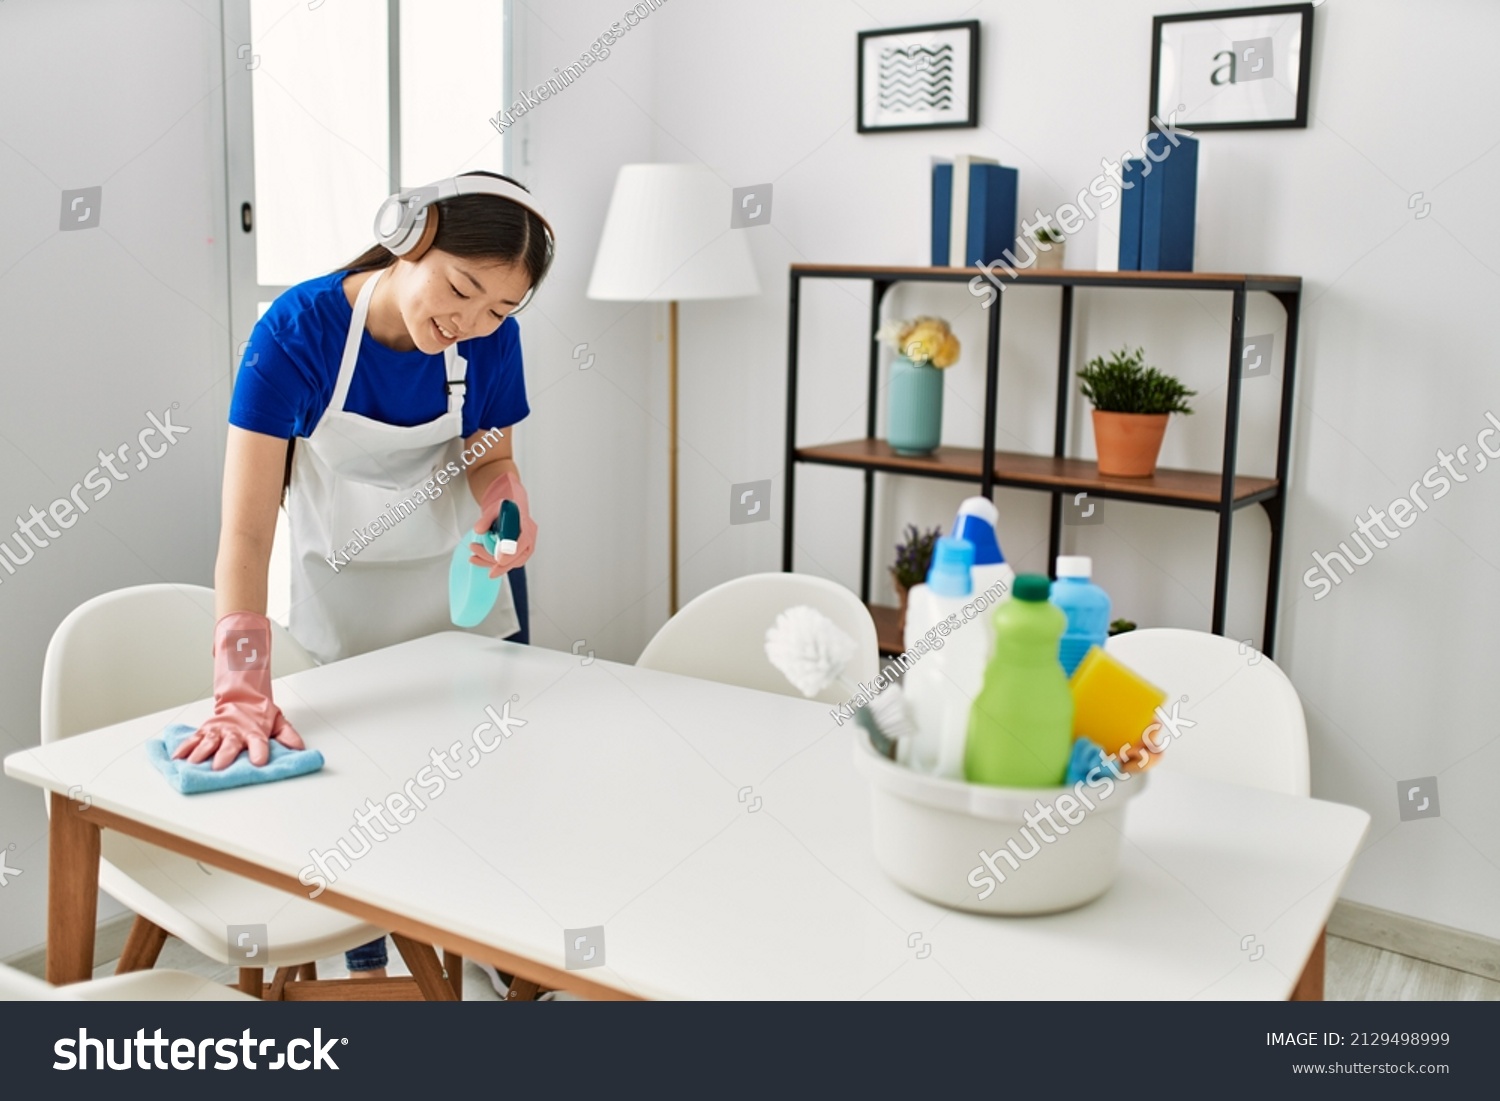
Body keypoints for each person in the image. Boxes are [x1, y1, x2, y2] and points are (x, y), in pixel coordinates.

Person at [173, 171, 554, 979]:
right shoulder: (297, 331)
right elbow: (246, 531)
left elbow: (491, 457)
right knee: (359, 796)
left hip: (459, 592)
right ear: (408, 238)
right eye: (462, 289)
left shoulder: (490, 339)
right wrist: (240, 686)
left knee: (480, 780)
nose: (470, 322)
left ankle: (488, 940)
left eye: (500, 309)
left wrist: (506, 503)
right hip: (342, 596)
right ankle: (370, 963)